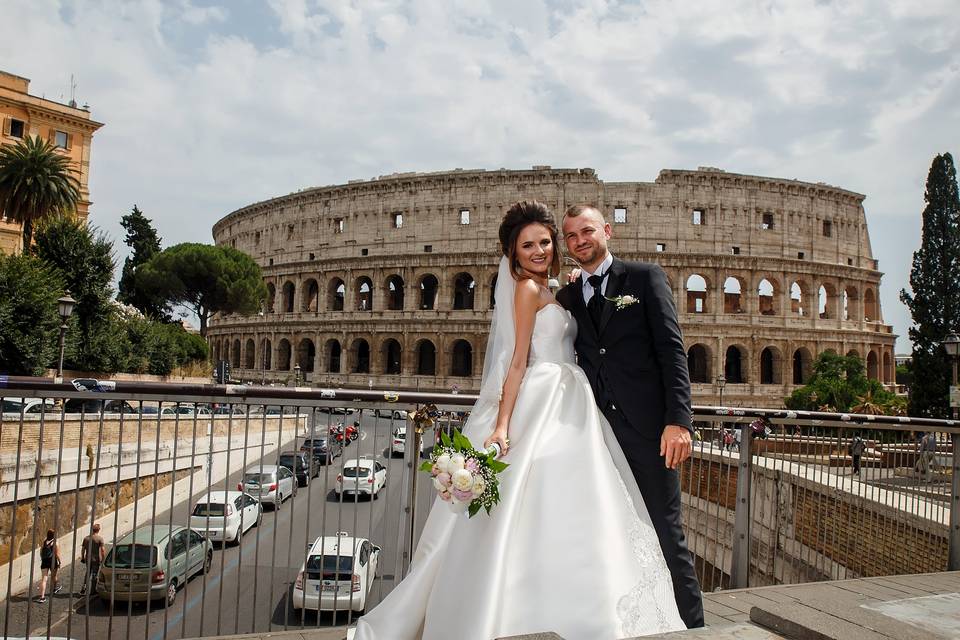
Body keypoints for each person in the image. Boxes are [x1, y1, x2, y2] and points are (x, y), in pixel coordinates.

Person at [353, 202, 686, 639]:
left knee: (582, 507)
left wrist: (678, 419)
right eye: (528, 244)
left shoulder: (564, 290)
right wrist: (503, 423)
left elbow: (662, 348)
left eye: (546, 242)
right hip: (546, 400)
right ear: (512, 251)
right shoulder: (528, 290)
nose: (539, 250)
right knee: (550, 500)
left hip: (577, 405)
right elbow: (515, 363)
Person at [557, 203, 704, 629]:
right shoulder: (569, 294)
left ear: (607, 231)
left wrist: (679, 421)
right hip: (597, 436)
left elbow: (672, 352)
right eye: (572, 236)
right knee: (609, 536)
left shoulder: (644, 277)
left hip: (649, 432)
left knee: (666, 535)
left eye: (587, 231)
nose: (580, 241)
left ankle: (696, 629)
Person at [79, 523, 105, 596]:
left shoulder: (86, 538)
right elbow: (102, 550)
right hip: (96, 559)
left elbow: (83, 549)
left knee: (88, 573)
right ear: (98, 530)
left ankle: (84, 587)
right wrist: (103, 559)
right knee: (94, 574)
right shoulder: (100, 539)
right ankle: (93, 590)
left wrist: (82, 557)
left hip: (88, 559)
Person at [36, 529, 61, 603]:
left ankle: (42, 597)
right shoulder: (55, 542)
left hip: (45, 561)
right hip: (52, 561)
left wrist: (42, 559)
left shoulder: (44, 541)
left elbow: (41, 552)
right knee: (54, 576)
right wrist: (59, 561)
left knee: (44, 579)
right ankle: (54, 588)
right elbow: (57, 554)